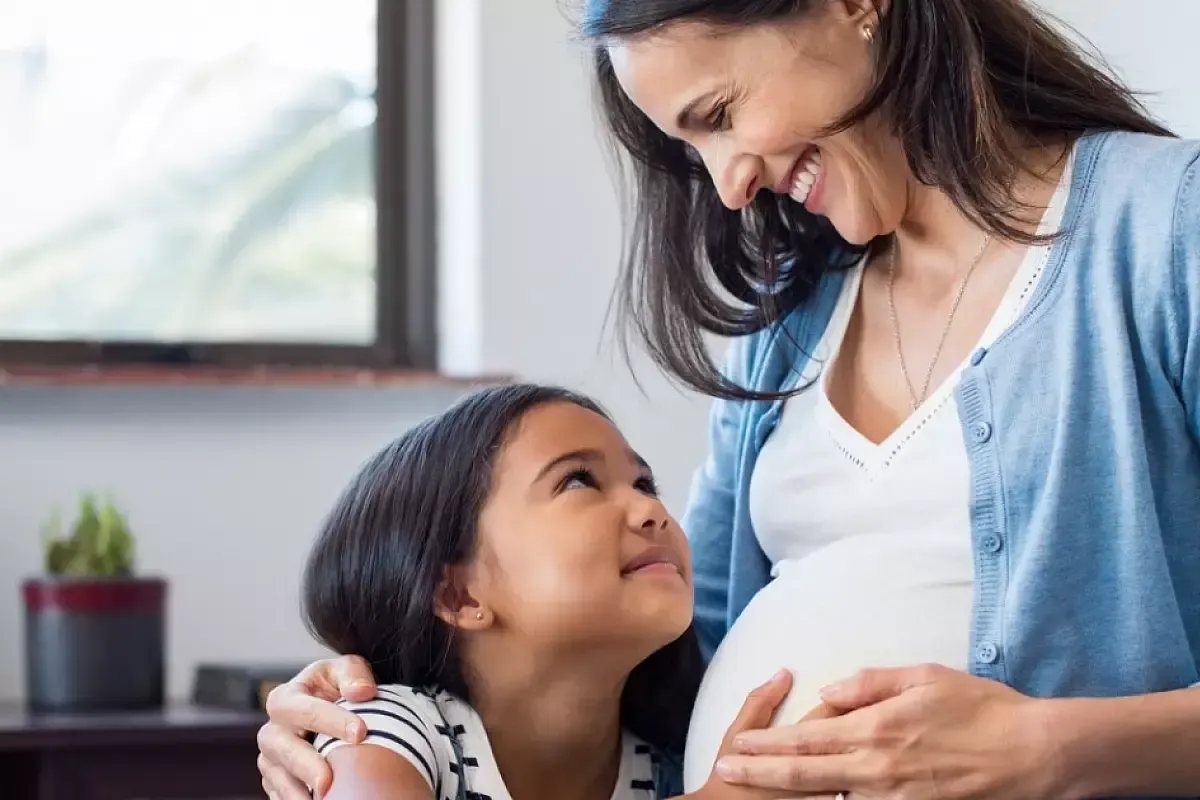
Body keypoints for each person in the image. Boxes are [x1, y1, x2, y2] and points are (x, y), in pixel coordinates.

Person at [259, 0, 1200, 797]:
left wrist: (1051, 750)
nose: (730, 185)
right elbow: (661, 638)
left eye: (719, 112)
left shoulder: (1165, 231)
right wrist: (369, 708)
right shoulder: (788, 324)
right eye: (689, 147)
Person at [282, 382, 816, 800]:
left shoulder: (672, 765)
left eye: (644, 483)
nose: (651, 511)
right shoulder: (383, 731)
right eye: (579, 481)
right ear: (459, 597)